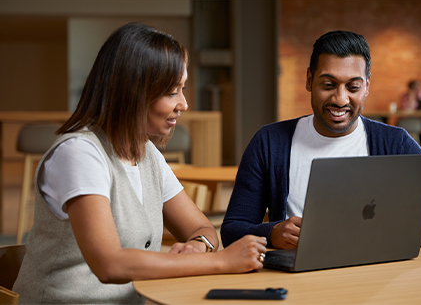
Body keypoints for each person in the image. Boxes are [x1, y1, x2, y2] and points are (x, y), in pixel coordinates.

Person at [13, 22, 267, 305]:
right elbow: (109, 264)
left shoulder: (147, 153)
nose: (183, 103)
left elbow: (202, 229)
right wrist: (221, 262)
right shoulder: (79, 153)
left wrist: (198, 247)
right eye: (172, 92)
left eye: (182, 89)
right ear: (133, 91)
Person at [221, 30, 421, 250]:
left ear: (367, 86)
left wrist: (387, 230)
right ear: (309, 80)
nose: (340, 99)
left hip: (375, 277)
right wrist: (272, 233)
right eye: (328, 84)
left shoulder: (395, 143)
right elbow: (232, 230)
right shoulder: (269, 142)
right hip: (300, 277)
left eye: (353, 87)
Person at [398, 79, 421, 144]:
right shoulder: (404, 97)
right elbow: (404, 109)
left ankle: (416, 148)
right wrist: (411, 97)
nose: (418, 89)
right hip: (405, 121)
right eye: (416, 88)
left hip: (416, 121)